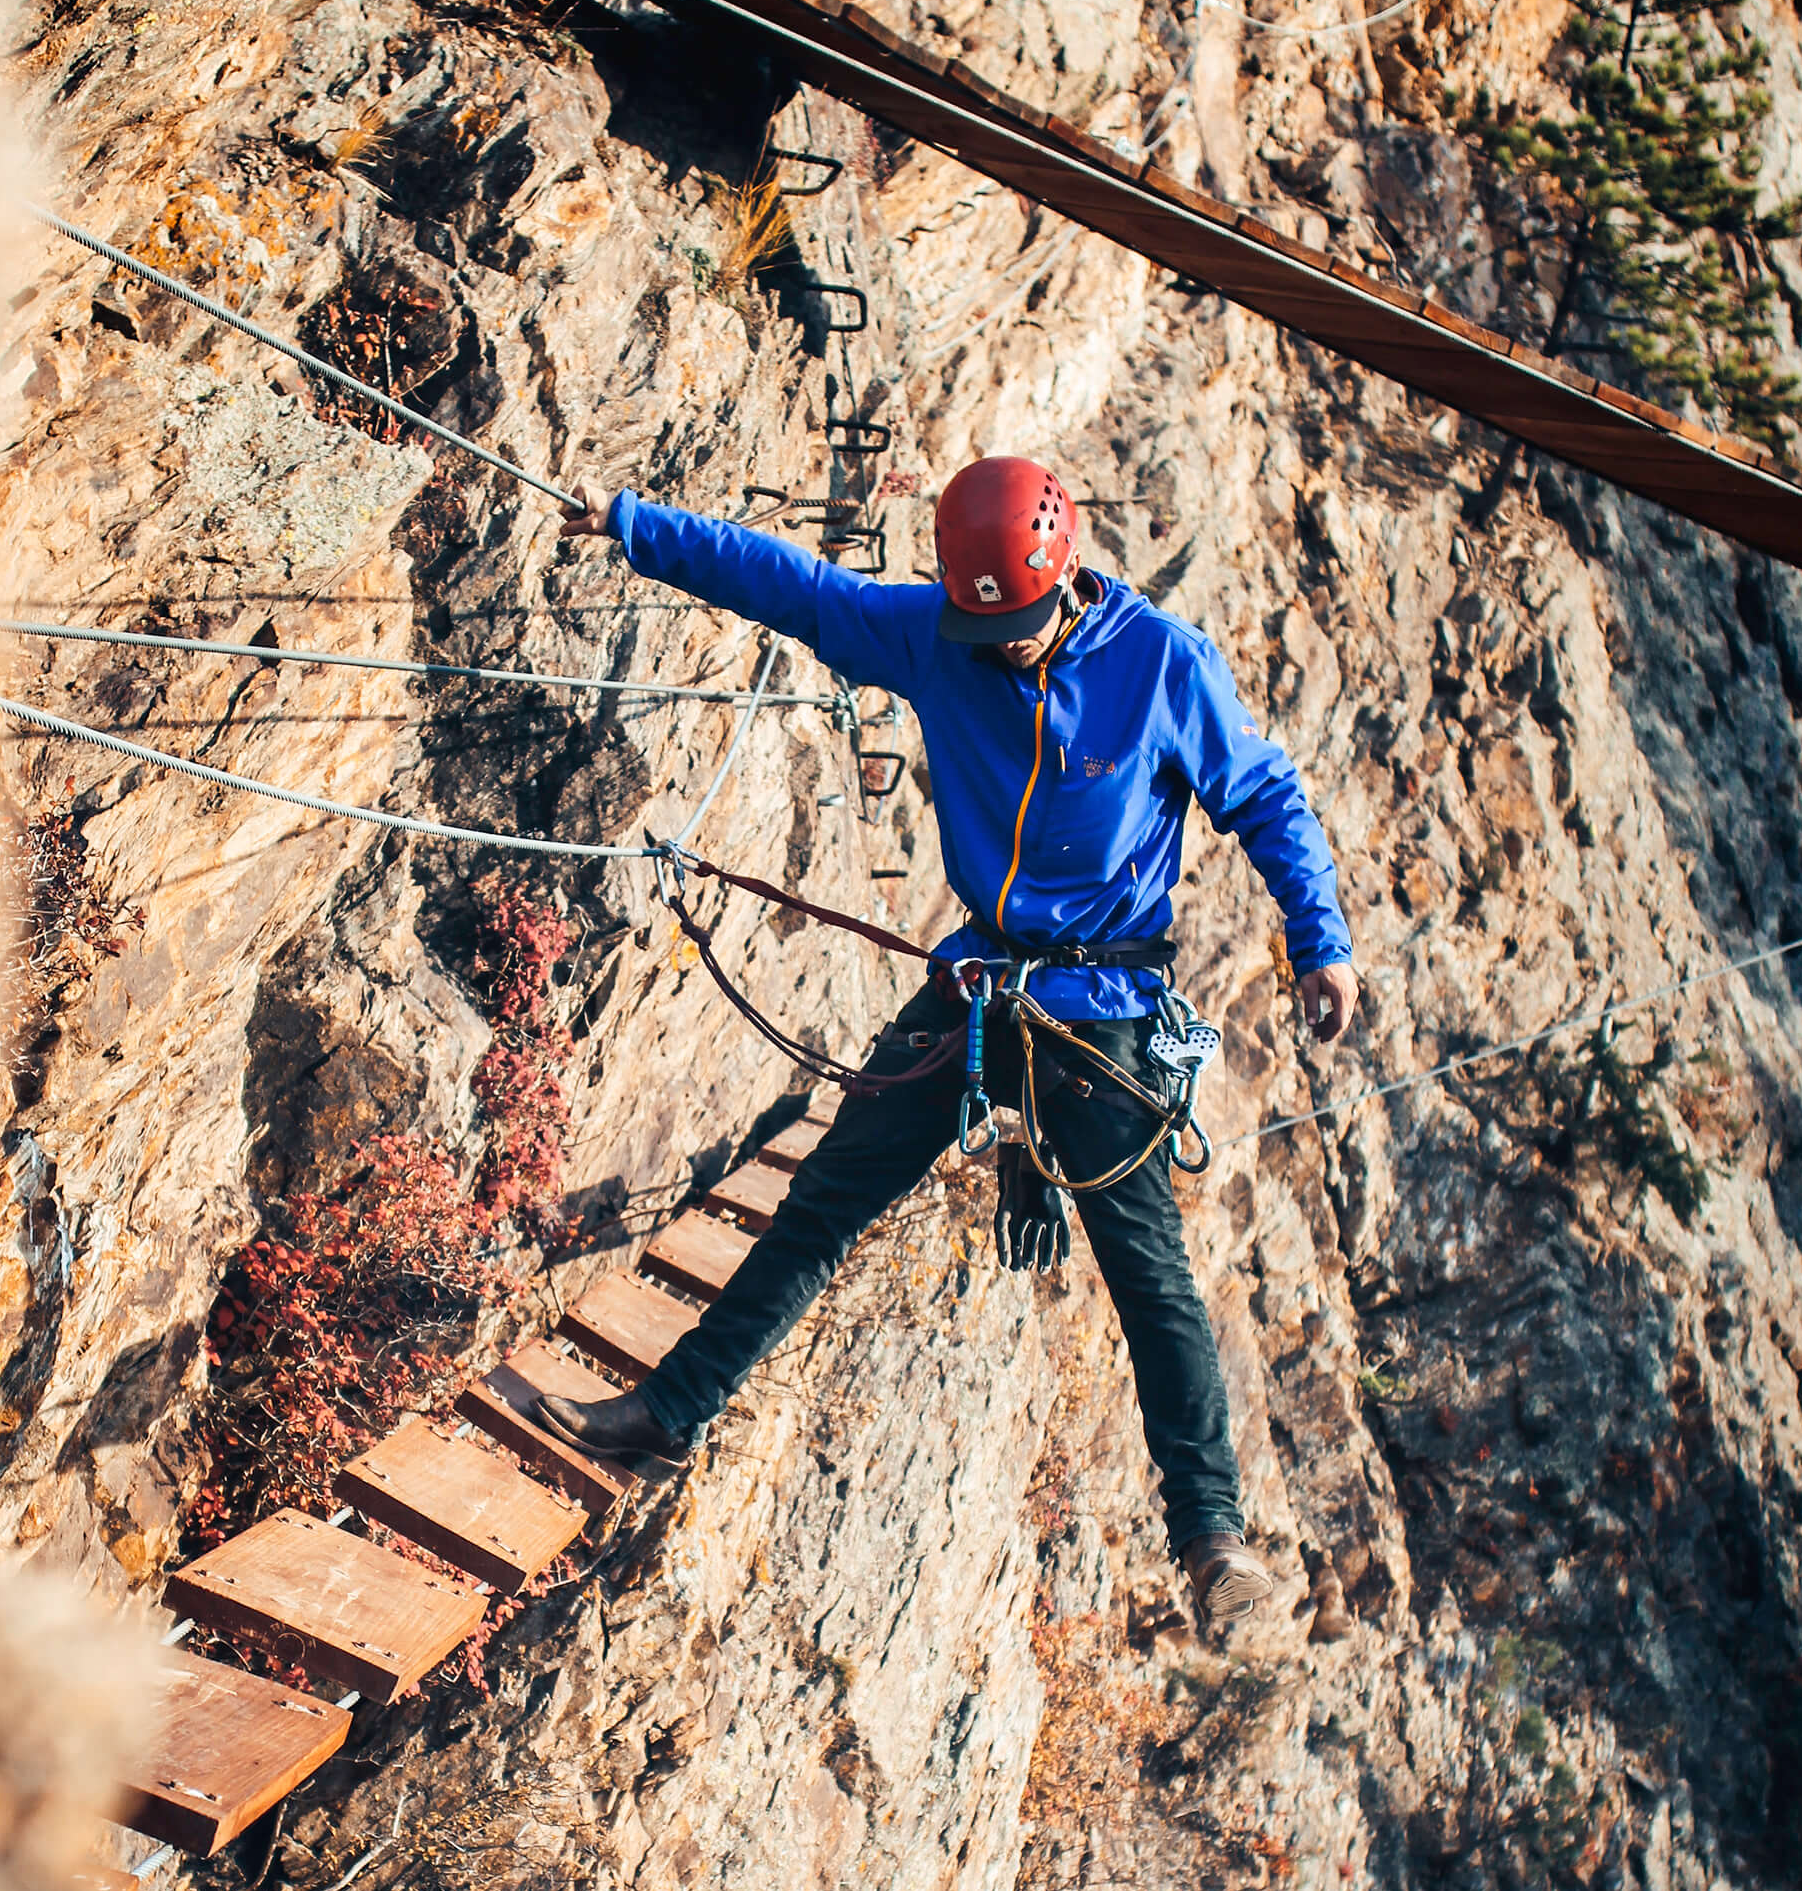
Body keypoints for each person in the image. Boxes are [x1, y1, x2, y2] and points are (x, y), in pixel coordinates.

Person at [525, 454, 1359, 1641]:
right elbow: (796, 589)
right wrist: (631, 524)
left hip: (1102, 1003)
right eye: (988, 627)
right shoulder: (940, 637)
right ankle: (671, 1412)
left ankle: (1214, 1544)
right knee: (826, 1196)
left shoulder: (1159, 663)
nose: (1008, 647)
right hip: (978, 985)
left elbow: (1266, 796)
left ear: (1062, 577)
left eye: (1022, 625)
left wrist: (1318, 940)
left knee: (1148, 1273)